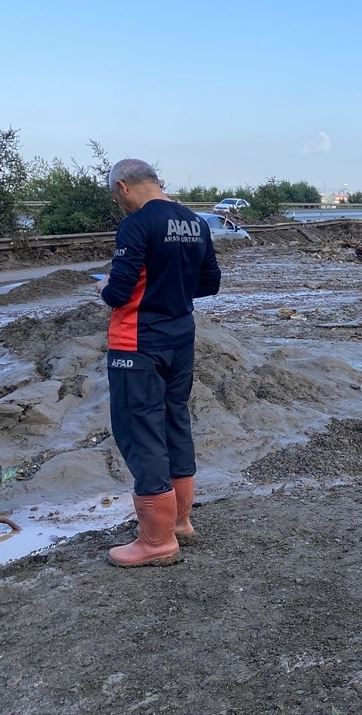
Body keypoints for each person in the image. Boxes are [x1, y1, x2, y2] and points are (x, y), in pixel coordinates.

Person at [97, 159, 221, 567]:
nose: (119, 203)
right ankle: (180, 522)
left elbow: (118, 293)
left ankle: (155, 540)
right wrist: (173, 288)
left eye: (117, 196)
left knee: (140, 428)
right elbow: (209, 283)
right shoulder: (196, 222)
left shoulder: (138, 224)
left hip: (138, 342)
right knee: (174, 420)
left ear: (123, 186)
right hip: (181, 337)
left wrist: (103, 287)